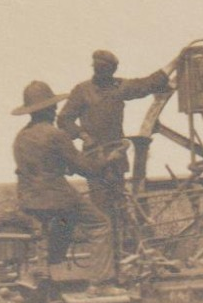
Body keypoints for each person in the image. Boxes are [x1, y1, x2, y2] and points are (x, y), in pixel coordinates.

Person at [11, 80, 122, 287]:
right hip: (56, 198)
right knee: (100, 224)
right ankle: (103, 284)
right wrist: (109, 159)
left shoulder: (21, 137)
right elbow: (86, 168)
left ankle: (51, 271)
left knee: (65, 221)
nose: (55, 111)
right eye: (53, 107)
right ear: (50, 109)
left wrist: (65, 165)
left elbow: (43, 164)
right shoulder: (55, 135)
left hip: (29, 200)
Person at [57, 49, 170, 224]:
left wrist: (177, 62)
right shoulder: (82, 91)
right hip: (93, 159)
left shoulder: (120, 88)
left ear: (112, 70)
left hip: (116, 157)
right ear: (94, 68)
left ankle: (123, 245)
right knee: (101, 208)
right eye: (98, 68)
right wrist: (82, 134)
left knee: (120, 205)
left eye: (106, 69)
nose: (101, 72)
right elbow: (64, 119)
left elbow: (147, 84)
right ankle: (108, 245)